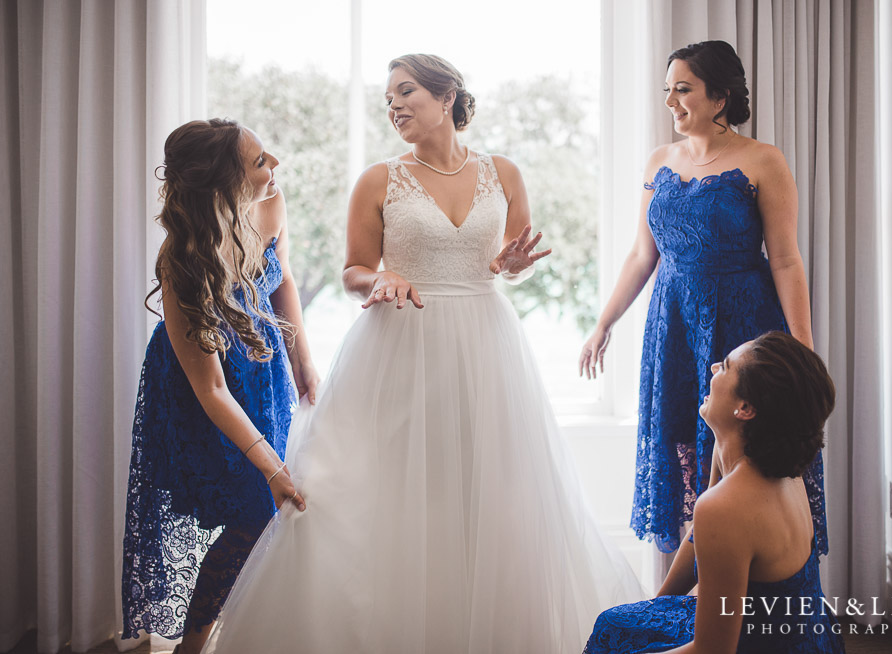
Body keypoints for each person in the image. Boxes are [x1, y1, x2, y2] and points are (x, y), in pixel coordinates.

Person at [201, 54, 644, 654]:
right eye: (388, 100)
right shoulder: (378, 180)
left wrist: (509, 267)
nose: (394, 107)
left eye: (405, 92)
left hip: (487, 344)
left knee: (489, 488)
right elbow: (353, 269)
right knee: (392, 490)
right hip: (399, 345)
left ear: (447, 96)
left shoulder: (505, 172)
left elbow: (503, 264)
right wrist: (380, 279)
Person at [578, 40, 826, 555]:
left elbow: (785, 260)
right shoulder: (659, 161)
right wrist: (603, 324)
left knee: (746, 449)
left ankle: (755, 582)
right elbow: (641, 256)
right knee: (682, 449)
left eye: (683, 90)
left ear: (721, 97)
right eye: (667, 90)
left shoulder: (763, 160)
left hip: (743, 323)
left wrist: (801, 345)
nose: (670, 102)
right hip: (671, 324)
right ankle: (693, 593)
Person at [121, 118, 319, 654]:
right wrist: (272, 469)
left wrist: (304, 360)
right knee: (253, 509)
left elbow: (285, 279)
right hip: (201, 389)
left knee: (261, 511)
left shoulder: (271, 206)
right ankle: (194, 645)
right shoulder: (181, 262)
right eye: (259, 162)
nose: (274, 165)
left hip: (263, 370)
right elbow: (210, 391)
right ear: (222, 184)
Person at [584, 331, 845, 653]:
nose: (712, 368)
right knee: (617, 622)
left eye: (726, 367)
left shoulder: (726, 506)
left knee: (609, 635)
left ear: (745, 407)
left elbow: (712, 651)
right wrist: (656, 605)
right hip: (811, 636)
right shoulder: (776, 467)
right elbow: (697, 536)